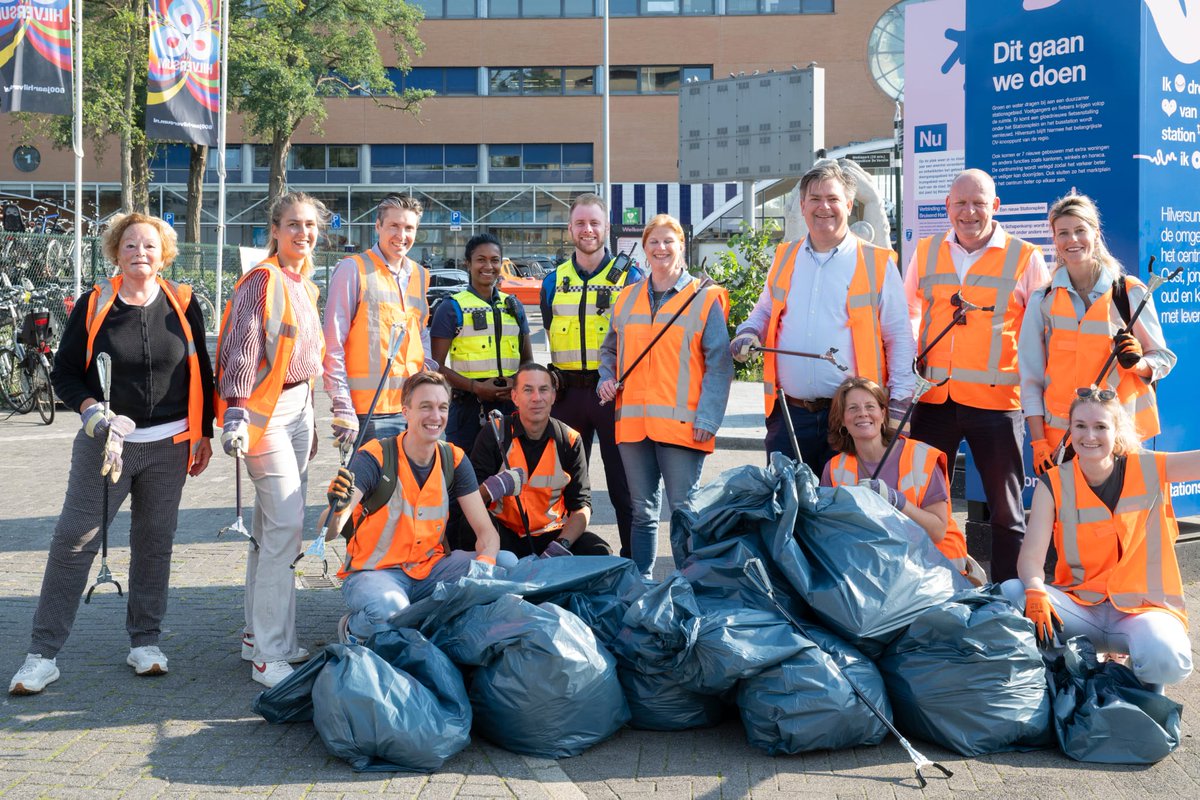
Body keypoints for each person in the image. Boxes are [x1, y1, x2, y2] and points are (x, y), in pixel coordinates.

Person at [10, 213, 213, 695]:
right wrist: (91, 413)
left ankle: (145, 642)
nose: (140, 253)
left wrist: (203, 432)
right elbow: (64, 373)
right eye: (130, 246)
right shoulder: (95, 303)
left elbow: (201, 369)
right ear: (115, 253)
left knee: (155, 542)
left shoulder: (184, 303)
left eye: (149, 246)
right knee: (74, 540)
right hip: (107, 443)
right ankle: (42, 654)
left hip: (170, 444)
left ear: (164, 253)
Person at [903, 168, 1051, 583]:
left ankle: (1010, 599)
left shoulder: (1025, 257)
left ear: (995, 207)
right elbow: (908, 311)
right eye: (961, 203)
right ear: (947, 207)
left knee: (1006, 512)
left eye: (979, 203)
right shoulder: (928, 251)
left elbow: (1044, 330)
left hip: (998, 403)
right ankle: (932, 586)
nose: (969, 212)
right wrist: (916, 354)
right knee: (924, 502)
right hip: (934, 400)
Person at [730, 161, 915, 477]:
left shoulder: (876, 262)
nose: (823, 207)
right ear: (802, 206)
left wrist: (897, 408)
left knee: (845, 513)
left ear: (848, 204)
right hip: (789, 414)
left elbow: (899, 339)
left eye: (832, 198)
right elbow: (764, 310)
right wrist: (748, 331)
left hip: (852, 417)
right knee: (789, 511)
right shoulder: (785, 257)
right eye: (814, 199)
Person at [1001, 390, 1192, 688]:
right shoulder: (1054, 482)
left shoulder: (1150, 467)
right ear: (1070, 430)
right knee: (1013, 592)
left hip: (1141, 611)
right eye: (1080, 426)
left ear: (1117, 431)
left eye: (1101, 426)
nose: (1089, 435)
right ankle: (1064, 674)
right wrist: (1036, 590)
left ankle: (1149, 699)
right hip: (1081, 609)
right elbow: (1030, 559)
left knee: (1165, 656)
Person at [217, 191, 326, 688]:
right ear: (275, 231)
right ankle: (270, 652)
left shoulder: (305, 284)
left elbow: (303, 357)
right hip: (265, 411)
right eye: (293, 224)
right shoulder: (261, 281)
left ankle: (253, 636)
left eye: (310, 225)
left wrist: (312, 416)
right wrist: (235, 414)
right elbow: (240, 347)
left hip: (299, 406)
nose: (303, 233)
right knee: (286, 528)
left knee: (269, 529)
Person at [598, 214, 732, 578]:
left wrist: (708, 418)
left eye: (668, 241)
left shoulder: (703, 299)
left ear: (681, 246)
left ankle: (690, 586)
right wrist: (605, 379)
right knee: (641, 511)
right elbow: (608, 351)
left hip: (684, 425)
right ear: (644, 249)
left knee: (683, 511)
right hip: (633, 424)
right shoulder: (626, 299)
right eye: (653, 242)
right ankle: (642, 587)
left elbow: (720, 364)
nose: (661, 248)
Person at [326, 371, 502, 644]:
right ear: (405, 411)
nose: (436, 416)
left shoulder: (452, 459)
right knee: (390, 611)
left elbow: (487, 534)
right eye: (425, 407)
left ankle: (417, 623)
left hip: (430, 571)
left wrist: (485, 569)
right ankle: (353, 629)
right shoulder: (375, 458)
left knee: (505, 566)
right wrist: (337, 509)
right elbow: (329, 530)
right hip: (374, 573)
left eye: (442, 407)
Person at [1019, 193, 1174, 474]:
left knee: (1121, 517)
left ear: (1096, 233)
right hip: (1061, 440)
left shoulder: (1127, 293)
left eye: (1080, 230)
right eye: (1063, 233)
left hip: (1119, 435)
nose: (1072, 240)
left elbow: (1163, 357)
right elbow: (1030, 379)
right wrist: (1038, 441)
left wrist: (1138, 363)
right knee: (1068, 517)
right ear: (1054, 239)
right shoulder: (1042, 299)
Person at [540, 193, 642, 558]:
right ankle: (569, 561)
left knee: (624, 486)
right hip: (567, 396)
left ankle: (633, 564)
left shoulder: (631, 278)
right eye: (580, 223)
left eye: (594, 223)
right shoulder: (553, 281)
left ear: (607, 229)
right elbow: (550, 328)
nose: (587, 230)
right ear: (570, 229)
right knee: (564, 486)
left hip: (613, 396)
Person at [819, 377, 982, 585]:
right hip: (878, 575)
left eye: (870, 406)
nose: (862, 413)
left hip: (936, 573)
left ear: (883, 413)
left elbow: (938, 531)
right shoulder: (834, 469)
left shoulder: (921, 457)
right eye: (852, 408)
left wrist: (897, 501)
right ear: (842, 419)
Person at [467, 363, 612, 558]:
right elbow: (469, 503)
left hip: (551, 536)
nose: (537, 398)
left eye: (544, 390)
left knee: (599, 551)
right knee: (468, 530)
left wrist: (562, 544)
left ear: (553, 396)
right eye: (528, 390)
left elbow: (581, 506)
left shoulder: (569, 439)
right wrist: (491, 488)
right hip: (503, 534)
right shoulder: (495, 433)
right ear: (515, 397)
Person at [322, 193, 431, 445]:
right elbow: (333, 341)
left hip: (413, 406)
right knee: (375, 484)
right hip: (369, 412)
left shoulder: (419, 274)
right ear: (378, 226)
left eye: (409, 228)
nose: (401, 235)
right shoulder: (353, 269)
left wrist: (428, 372)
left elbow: (421, 331)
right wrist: (342, 403)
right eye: (394, 226)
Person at [431, 232, 533, 449]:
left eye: (494, 260)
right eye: (481, 259)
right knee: (467, 478)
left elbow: (528, 361)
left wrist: (516, 382)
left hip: (510, 407)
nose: (488, 266)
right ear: (468, 264)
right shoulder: (451, 308)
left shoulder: (514, 306)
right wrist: (476, 387)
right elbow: (436, 366)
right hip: (468, 410)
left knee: (510, 476)